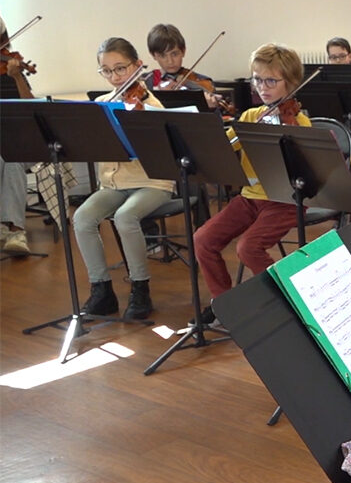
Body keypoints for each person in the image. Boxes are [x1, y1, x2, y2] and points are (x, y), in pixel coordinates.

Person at [193, 43, 311, 324]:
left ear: (291, 83)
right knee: (203, 239)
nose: (263, 87)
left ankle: (285, 301)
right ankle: (225, 303)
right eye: (257, 79)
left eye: (271, 80)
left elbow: (309, 171)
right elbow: (227, 147)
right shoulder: (249, 117)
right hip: (250, 198)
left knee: (248, 247)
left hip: (284, 200)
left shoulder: (299, 122)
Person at [75, 37, 175, 320]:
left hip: (152, 183)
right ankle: (102, 290)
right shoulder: (101, 104)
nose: (115, 77)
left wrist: (143, 120)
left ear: (137, 65)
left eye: (120, 69)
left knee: (125, 217)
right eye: (106, 71)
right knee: (82, 218)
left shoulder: (151, 104)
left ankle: (140, 288)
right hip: (113, 184)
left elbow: (163, 150)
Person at [1, 16, 34, 255]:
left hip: (22, 142)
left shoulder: (13, 67)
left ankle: (16, 231)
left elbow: (32, 108)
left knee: (11, 161)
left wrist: (17, 76)